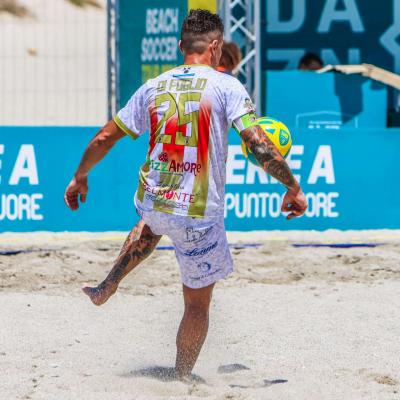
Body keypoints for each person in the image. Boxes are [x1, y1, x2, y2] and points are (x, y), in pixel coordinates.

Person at [64, 9, 307, 379]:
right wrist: (293, 186)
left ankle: (107, 285)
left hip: (155, 199)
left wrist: (80, 176)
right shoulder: (227, 86)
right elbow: (257, 144)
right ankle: (180, 378)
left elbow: (104, 138)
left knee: (150, 225)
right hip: (198, 215)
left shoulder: (154, 86)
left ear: (181, 46)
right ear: (216, 46)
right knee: (196, 306)